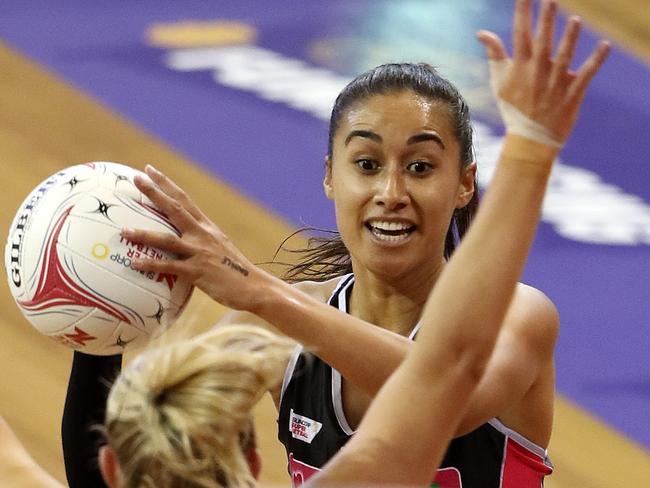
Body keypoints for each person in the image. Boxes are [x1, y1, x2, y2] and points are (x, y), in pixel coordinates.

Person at [61, 0, 609, 486]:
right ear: (330, 176)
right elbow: (123, 467)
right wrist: (102, 329)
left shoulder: (520, 315)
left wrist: (261, 292)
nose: (391, 193)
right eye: (366, 165)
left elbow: (448, 394)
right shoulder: (268, 332)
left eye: (420, 167)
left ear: (464, 183)